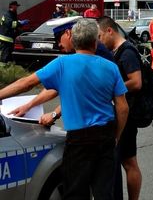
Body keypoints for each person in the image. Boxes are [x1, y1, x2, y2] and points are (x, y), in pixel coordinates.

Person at [0, 19, 129, 200]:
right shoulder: (110, 67)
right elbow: (123, 107)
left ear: (74, 40)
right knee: (104, 191)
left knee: (75, 191)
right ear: (95, 42)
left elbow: (26, 83)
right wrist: (116, 136)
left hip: (78, 139)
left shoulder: (62, 65)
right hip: (105, 135)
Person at [9, 16, 115, 124]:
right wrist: (28, 105)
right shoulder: (86, 53)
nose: (59, 44)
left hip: (88, 126)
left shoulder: (94, 54)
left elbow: (81, 92)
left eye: (58, 38)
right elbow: (54, 88)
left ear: (68, 33)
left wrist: (55, 114)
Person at [97, 16, 143, 200]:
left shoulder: (127, 52)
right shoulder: (116, 51)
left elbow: (136, 82)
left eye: (100, 36)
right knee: (124, 160)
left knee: (129, 162)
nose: (99, 41)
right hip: (120, 112)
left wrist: (113, 88)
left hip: (128, 115)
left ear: (110, 31)